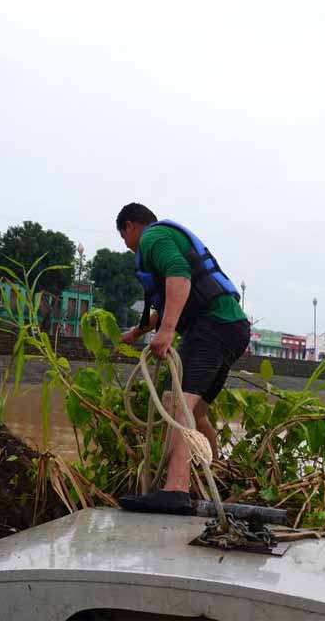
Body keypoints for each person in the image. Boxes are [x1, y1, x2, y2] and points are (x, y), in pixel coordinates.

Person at [114, 203, 250, 515]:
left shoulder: (153, 239)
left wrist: (167, 332)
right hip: (232, 328)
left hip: (211, 326)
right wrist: (137, 333)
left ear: (131, 226)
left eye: (123, 235)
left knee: (178, 403)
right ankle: (212, 475)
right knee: (196, 411)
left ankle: (176, 489)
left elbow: (180, 276)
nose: (125, 242)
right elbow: (171, 298)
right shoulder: (163, 240)